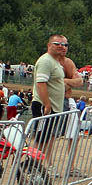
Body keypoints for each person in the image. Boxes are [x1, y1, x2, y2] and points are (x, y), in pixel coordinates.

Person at [31, 34, 82, 166]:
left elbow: (79, 81)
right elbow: (40, 83)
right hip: (45, 106)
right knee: (41, 139)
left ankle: (38, 167)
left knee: (46, 138)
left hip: (53, 107)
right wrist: (47, 104)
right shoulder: (46, 61)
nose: (61, 47)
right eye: (57, 44)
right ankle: (33, 167)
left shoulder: (57, 62)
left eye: (64, 44)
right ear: (49, 45)